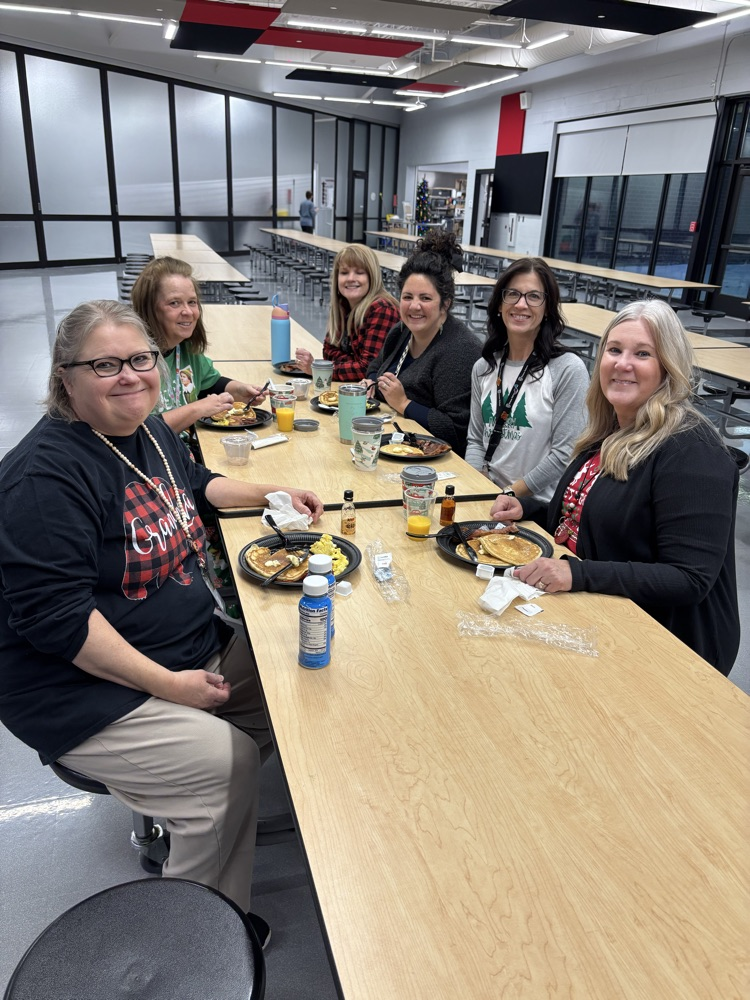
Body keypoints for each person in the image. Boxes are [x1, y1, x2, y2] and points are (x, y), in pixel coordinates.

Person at [0, 300, 324, 927]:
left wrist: (272, 492)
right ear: (65, 378)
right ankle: (202, 935)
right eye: (105, 365)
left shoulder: (147, 432)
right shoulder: (44, 479)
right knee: (224, 769)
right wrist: (172, 687)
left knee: (292, 678)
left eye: (141, 359)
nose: (130, 376)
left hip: (182, 647)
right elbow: (61, 623)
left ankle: (198, 814)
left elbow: (195, 485)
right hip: (78, 688)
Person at [490, 299, 740, 676]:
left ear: (668, 367)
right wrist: (532, 510)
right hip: (598, 606)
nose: (623, 364)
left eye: (643, 354)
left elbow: (689, 578)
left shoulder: (693, 452)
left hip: (669, 647)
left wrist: (578, 574)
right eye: (614, 350)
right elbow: (592, 518)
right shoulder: (611, 430)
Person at [465, 257, 589, 502]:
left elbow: (564, 455)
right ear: (499, 304)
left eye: (533, 296)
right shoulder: (483, 368)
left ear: (547, 309)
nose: (521, 304)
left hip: (536, 507)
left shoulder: (567, 369)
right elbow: (476, 440)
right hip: (488, 497)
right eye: (512, 294)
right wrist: (476, 487)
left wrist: (509, 494)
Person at [362, 230, 481, 456]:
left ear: (445, 304)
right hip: (398, 444)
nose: (414, 306)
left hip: (439, 462)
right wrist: (372, 382)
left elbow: (455, 431)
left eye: (425, 298)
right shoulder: (401, 332)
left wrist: (404, 404)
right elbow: (376, 367)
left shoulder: (459, 350)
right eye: (407, 297)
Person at [131, 256, 268, 435]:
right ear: (150, 309)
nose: (188, 312)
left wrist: (240, 391)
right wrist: (197, 409)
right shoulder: (133, 363)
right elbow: (137, 433)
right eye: (174, 303)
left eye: (192, 302)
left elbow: (209, 384)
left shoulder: (185, 349)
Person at [294, 244, 400, 382]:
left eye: (359, 272)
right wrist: (354, 362)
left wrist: (320, 369)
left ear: (372, 276)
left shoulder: (382, 309)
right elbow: (328, 352)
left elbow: (368, 369)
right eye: (344, 273)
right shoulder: (343, 305)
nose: (350, 278)